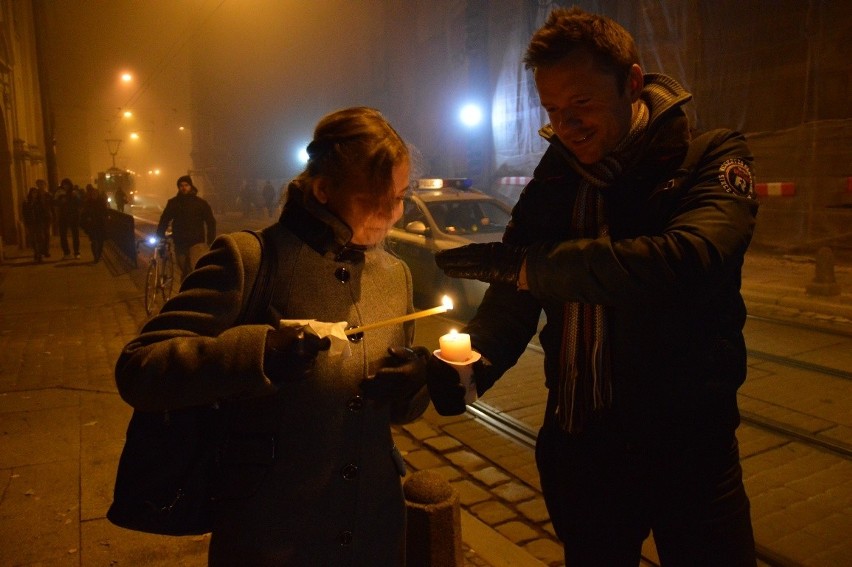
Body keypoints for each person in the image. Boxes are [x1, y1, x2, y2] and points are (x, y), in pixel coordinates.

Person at [429, 7, 759, 566]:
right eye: (553, 109)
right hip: (583, 451)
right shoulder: (557, 175)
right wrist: (465, 371)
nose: (566, 124)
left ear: (631, 83)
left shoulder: (710, 156)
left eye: (581, 102)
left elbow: (687, 261)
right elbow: (514, 297)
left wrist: (531, 266)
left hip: (689, 451)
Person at [116, 107, 431, 565]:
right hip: (271, 536)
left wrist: (414, 383)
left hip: (375, 532)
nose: (392, 215)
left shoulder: (394, 275)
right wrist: (256, 353)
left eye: (400, 197)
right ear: (323, 190)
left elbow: (398, 412)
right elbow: (139, 367)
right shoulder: (249, 260)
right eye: (374, 199)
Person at [156, 175, 217, 281]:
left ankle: (193, 290)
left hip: (197, 242)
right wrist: (160, 233)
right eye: (181, 185)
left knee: (196, 268)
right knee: (183, 268)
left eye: (186, 185)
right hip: (180, 241)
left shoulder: (200, 203)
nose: (184, 188)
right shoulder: (174, 203)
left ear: (191, 186)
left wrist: (210, 239)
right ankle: (187, 286)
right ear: (178, 187)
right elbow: (165, 218)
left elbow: (210, 221)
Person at [53, 178, 83, 259]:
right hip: (63, 217)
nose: (66, 186)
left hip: (73, 216)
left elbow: (80, 203)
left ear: (70, 185)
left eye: (67, 184)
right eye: (64, 185)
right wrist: (60, 202)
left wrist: (75, 197)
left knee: (75, 235)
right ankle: (66, 253)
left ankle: (76, 252)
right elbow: (55, 204)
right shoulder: (59, 193)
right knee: (63, 236)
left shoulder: (74, 193)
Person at [21, 186, 51, 262]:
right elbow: (24, 213)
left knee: (40, 238)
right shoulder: (26, 203)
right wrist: (26, 223)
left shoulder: (40, 203)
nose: (34, 194)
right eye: (33, 193)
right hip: (30, 223)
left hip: (39, 222)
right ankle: (36, 252)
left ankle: (39, 254)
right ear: (30, 194)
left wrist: (44, 222)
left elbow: (44, 212)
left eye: (36, 193)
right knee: (32, 239)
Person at [81, 183, 108, 263]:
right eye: (92, 194)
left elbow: (105, 211)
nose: (94, 195)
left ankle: (98, 255)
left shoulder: (101, 202)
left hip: (100, 224)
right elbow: (84, 213)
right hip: (92, 224)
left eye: (95, 194)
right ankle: (96, 257)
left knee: (100, 241)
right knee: (93, 241)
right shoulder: (88, 202)